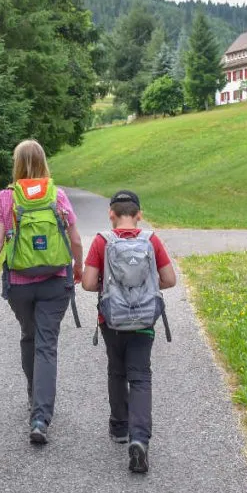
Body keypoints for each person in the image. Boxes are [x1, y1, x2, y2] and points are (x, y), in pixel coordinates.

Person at [0, 139, 83, 444]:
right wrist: (78, 266)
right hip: (54, 280)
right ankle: (40, 417)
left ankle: (35, 398)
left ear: (17, 163)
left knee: (29, 337)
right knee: (46, 345)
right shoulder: (57, 195)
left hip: (20, 284)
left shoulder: (7, 197)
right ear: (44, 162)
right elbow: (74, 238)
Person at [81, 190, 176, 473]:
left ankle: (120, 427)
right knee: (141, 376)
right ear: (139, 215)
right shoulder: (151, 240)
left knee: (117, 371)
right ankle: (140, 439)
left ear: (111, 214)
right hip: (144, 321)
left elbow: (87, 283)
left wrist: (108, 284)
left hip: (111, 320)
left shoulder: (102, 241)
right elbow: (169, 279)